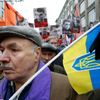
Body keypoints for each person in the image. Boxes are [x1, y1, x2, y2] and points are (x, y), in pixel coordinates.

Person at [0, 26, 76, 100]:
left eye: (14, 50)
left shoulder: (66, 88)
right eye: (2, 50)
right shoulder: (2, 84)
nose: (2, 58)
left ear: (37, 54)